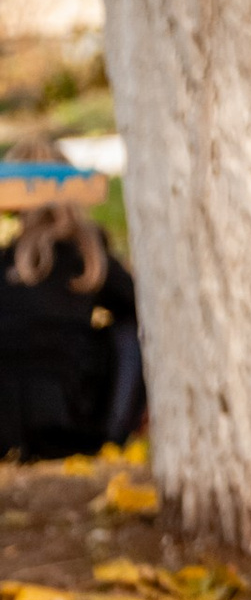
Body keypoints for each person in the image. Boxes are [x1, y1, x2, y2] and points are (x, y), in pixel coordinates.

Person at [0, 189, 144, 461]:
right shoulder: (84, 255)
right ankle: (115, 433)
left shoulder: (6, 260)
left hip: (6, 433)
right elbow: (142, 306)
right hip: (70, 428)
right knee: (131, 332)